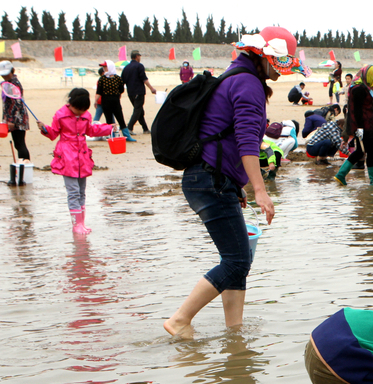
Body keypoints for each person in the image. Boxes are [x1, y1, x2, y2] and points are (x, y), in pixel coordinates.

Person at [163, 26, 300, 339]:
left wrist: (237, 185)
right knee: (238, 260)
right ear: (263, 57)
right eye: (279, 62)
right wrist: (260, 190)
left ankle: (234, 334)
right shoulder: (248, 84)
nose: (281, 71)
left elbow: (224, 135)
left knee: (238, 259)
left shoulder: (237, 76)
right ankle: (180, 319)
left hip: (210, 179)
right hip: (210, 180)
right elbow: (247, 142)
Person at [37, 88, 113, 233]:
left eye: (83, 110)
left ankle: (82, 223)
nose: (80, 112)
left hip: (82, 156)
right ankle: (76, 225)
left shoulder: (86, 115)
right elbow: (53, 133)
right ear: (71, 103)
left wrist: (108, 128)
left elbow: (91, 131)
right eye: (78, 109)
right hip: (67, 156)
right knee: (73, 191)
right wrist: (44, 129)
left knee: (82, 191)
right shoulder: (60, 115)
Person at [335, 64, 373, 186]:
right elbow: (356, 110)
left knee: (361, 151)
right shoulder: (359, 89)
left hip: (367, 124)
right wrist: (360, 128)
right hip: (363, 125)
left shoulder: (365, 87)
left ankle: (341, 175)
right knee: (370, 151)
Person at [0, 61, 32, 170]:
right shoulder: (8, 82)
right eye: (2, 74)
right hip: (13, 117)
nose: (4, 76)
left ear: (12, 71)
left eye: (6, 74)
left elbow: (17, 103)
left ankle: (25, 167)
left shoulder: (13, 84)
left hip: (17, 119)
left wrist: (12, 121)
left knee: (20, 143)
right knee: (18, 144)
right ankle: (23, 166)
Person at [95, 60, 134, 141]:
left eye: (105, 66)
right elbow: (99, 92)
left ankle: (127, 136)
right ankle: (112, 136)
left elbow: (121, 90)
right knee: (109, 120)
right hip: (105, 102)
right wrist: (96, 101)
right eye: (104, 67)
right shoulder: (102, 79)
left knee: (120, 119)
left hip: (115, 102)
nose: (104, 68)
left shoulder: (118, 78)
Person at [121, 50, 158, 136]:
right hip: (139, 91)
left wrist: (120, 93)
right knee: (137, 110)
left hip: (130, 92)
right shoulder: (139, 66)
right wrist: (152, 88)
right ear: (137, 56)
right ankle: (129, 128)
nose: (140, 58)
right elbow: (144, 79)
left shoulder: (126, 68)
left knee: (139, 110)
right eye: (139, 56)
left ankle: (145, 129)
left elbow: (122, 82)